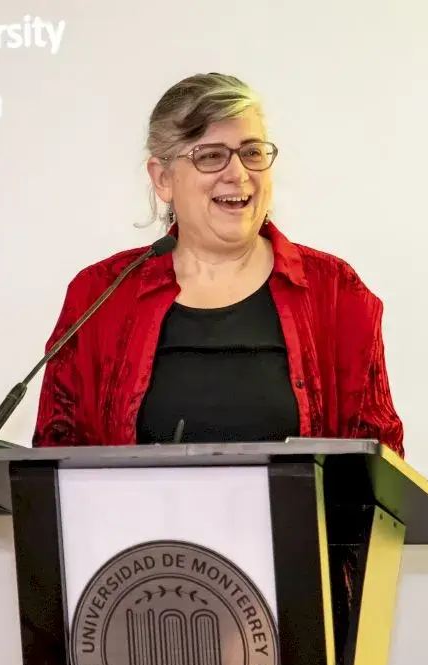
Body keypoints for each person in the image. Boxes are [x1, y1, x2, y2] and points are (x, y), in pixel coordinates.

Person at [32, 72, 404, 456]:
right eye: (211, 156)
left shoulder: (334, 290)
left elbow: (381, 457)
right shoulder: (100, 294)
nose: (238, 174)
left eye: (252, 153)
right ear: (163, 179)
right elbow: (54, 453)